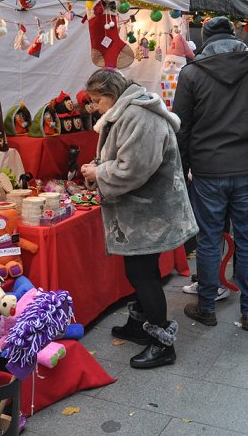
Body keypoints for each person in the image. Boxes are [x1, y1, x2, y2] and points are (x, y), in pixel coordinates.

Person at [173, 17, 248, 332]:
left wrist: (181, 175)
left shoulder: (192, 73)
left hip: (209, 171)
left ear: (206, 38)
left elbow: (180, 131)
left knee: (209, 240)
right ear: (234, 35)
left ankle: (207, 306)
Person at [80, 69, 195, 369]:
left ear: (112, 94)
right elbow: (122, 156)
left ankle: (162, 342)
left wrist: (99, 172)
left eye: (95, 101)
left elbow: (134, 168)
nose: (93, 108)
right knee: (139, 270)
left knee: (142, 273)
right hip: (143, 210)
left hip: (151, 211)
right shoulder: (130, 110)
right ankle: (141, 324)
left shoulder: (140, 116)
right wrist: (98, 166)